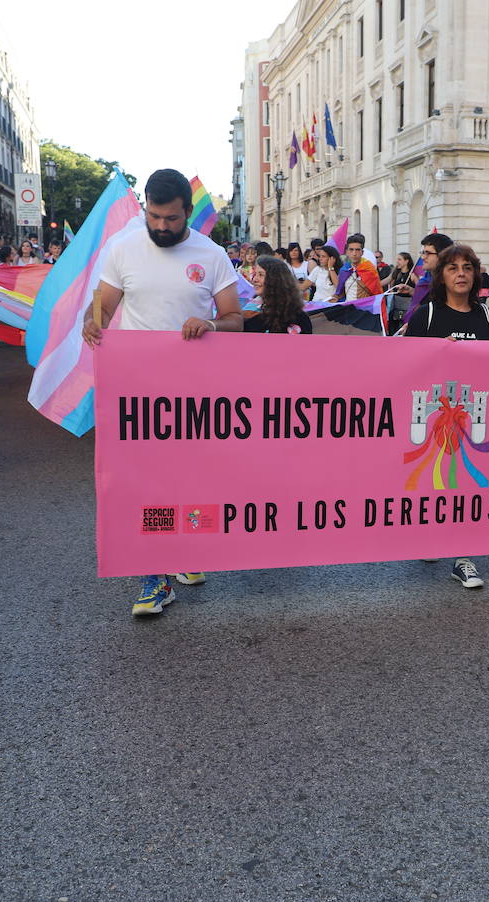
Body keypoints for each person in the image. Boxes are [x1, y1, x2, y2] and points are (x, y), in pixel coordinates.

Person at [81, 168, 243, 617]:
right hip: (136, 393)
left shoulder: (211, 255)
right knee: (144, 482)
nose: (161, 226)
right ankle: (155, 576)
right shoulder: (123, 248)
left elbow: (234, 317)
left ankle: (183, 551)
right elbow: (103, 304)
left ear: (187, 213)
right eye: (154, 216)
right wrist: (92, 320)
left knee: (187, 479)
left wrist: (211, 323)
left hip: (194, 395)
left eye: (171, 219)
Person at [404, 243, 489, 588]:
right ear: (441, 276)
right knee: (435, 482)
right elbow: (404, 365)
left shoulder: (485, 316)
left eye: (467, 268)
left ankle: (463, 558)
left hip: (472, 416)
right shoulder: (426, 316)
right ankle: (433, 534)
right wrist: (435, 353)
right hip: (433, 418)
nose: (461, 273)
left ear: (475, 276)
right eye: (452, 268)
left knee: (467, 484)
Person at [244, 256, 312, 334]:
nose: (254, 279)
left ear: (276, 279)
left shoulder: (297, 317)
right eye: (255, 274)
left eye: (261, 275)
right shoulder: (250, 312)